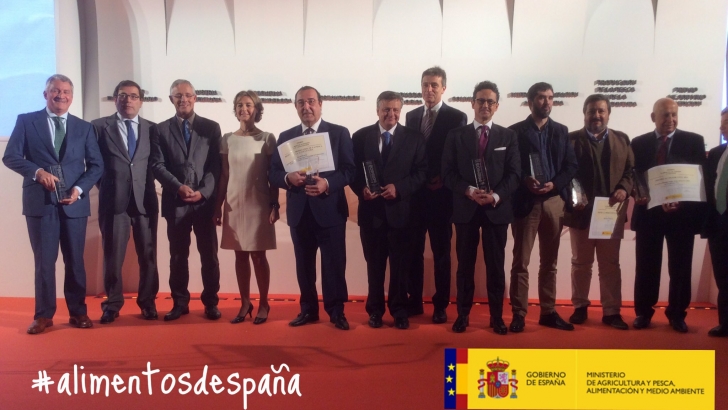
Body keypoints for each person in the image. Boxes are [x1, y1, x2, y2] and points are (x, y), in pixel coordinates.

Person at [3, 74, 103, 334]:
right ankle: (43, 316)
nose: (61, 95)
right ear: (45, 94)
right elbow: (10, 156)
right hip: (40, 204)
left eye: (66, 91)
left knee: (75, 261)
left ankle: (78, 312)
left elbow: (96, 166)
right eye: (56, 90)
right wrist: (37, 173)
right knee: (44, 262)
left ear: (72, 96)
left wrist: (79, 190)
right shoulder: (26, 121)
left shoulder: (84, 127)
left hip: (74, 205)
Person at [269, 86, 356, 330]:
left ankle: (336, 312)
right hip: (299, 213)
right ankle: (308, 310)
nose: (306, 107)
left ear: (320, 104)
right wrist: (288, 178)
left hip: (330, 212)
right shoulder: (286, 136)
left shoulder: (339, 133)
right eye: (301, 103)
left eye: (310, 102)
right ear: (295, 106)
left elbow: (350, 170)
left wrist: (327, 183)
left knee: (334, 265)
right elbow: (273, 172)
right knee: (304, 266)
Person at [441, 81, 520, 335]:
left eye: (490, 101)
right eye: (481, 100)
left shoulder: (508, 136)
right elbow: (447, 173)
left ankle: (497, 317)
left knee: (495, 266)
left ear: (496, 106)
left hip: (497, 210)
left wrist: (495, 196)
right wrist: (468, 190)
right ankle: (462, 315)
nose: (485, 105)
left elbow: (515, 175)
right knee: (464, 266)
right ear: (472, 103)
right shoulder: (456, 135)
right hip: (466, 208)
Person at [351, 91, 427, 329]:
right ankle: (375, 311)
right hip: (371, 215)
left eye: (395, 110)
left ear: (400, 111)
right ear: (377, 110)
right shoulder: (360, 137)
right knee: (374, 267)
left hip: (402, 216)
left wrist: (400, 188)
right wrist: (362, 189)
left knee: (401, 268)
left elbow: (422, 173)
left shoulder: (414, 138)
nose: (391, 114)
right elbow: (352, 172)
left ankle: (399, 310)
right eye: (386, 109)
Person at [631, 98, 706, 333]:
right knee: (646, 267)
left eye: (674, 115)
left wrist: (680, 201)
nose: (670, 120)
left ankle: (677, 314)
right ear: (653, 117)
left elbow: (699, 180)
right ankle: (643, 312)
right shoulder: (638, 143)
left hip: (681, 217)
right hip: (649, 215)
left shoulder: (694, 141)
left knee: (681, 268)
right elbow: (634, 176)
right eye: (665, 115)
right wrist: (640, 193)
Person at [150, 79, 222, 321]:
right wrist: (178, 187)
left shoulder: (211, 127)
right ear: (171, 99)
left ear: (195, 98)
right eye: (178, 95)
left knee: (209, 257)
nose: (184, 99)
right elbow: (157, 165)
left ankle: (211, 302)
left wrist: (204, 191)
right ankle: (180, 302)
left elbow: (215, 166)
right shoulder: (160, 130)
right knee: (178, 257)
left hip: (204, 204)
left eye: (188, 95)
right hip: (176, 202)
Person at [508, 82, 578, 332]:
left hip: (553, 201)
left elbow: (571, 166)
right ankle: (519, 313)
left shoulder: (561, 131)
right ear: (530, 102)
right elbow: (510, 168)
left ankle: (548, 311)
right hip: (526, 203)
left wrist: (554, 184)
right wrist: (525, 180)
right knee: (521, 262)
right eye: (541, 97)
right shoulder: (514, 132)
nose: (547, 102)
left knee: (550, 262)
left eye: (550, 97)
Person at [92, 80, 159, 323]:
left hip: (145, 202)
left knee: (148, 256)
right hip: (113, 202)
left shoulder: (153, 129)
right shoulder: (99, 127)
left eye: (133, 96)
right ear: (115, 99)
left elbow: (157, 164)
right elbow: (92, 164)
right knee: (113, 257)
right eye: (123, 95)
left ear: (141, 101)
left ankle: (148, 303)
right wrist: (106, 187)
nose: (128, 100)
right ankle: (112, 304)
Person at [564, 94, 633, 330]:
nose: (596, 115)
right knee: (580, 263)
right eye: (591, 111)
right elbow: (565, 174)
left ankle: (612, 311)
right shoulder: (571, 140)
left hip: (610, 213)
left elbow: (630, 171)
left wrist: (624, 188)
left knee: (610, 264)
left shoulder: (622, 139)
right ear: (584, 114)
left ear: (608, 113)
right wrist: (574, 197)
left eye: (601, 111)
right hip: (580, 213)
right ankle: (580, 307)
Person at [405, 66, 467, 323]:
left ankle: (441, 304)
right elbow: (408, 153)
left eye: (434, 85)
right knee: (413, 252)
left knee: (442, 253)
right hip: (416, 196)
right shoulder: (411, 116)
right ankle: (414, 301)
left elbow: (459, 154)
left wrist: (443, 177)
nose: (429, 89)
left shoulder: (457, 117)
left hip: (442, 196)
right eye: (425, 85)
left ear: (443, 88)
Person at [214, 90, 279, 325]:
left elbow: (273, 176)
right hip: (233, 204)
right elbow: (224, 175)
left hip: (258, 204)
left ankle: (264, 303)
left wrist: (274, 204)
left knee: (258, 256)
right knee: (239, 255)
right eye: (240, 105)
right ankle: (244, 303)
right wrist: (218, 206)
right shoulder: (227, 139)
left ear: (257, 109)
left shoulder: (267, 138)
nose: (244, 109)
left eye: (249, 105)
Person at [702, 108, 728, 337]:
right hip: (718, 223)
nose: (721, 128)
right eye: (722, 123)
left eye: (726, 123)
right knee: (722, 275)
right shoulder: (717, 153)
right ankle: (725, 323)